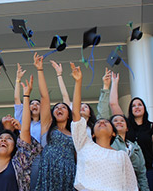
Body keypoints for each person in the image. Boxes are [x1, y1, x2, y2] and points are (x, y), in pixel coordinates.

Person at [70, 62, 138, 191]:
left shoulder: (122, 156)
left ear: (113, 133)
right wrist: (78, 82)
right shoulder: (84, 144)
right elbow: (75, 114)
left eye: (106, 122)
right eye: (98, 123)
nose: (102, 122)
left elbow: (131, 186)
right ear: (93, 134)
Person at [33, 53, 75, 191]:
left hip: (69, 172)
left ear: (69, 114)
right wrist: (40, 70)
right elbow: (44, 97)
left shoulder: (74, 131)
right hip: (49, 170)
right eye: (56, 107)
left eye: (63, 107)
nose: (59, 108)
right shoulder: (47, 126)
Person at [109, 72, 152, 190]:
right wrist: (115, 83)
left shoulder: (151, 127)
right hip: (126, 170)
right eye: (133, 105)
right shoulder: (126, 125)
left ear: (144, 108)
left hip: (147, 170)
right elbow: (113, 104)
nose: (137, 107)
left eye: (140, 105)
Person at [51, 61, 112, 135]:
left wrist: (106, 86)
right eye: (79, 107)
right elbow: (65, 96)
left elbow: (103, 110)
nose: (82, 108)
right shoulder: (71, 125)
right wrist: (59, 75)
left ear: (90, 114)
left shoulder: (95, 127)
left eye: (86, 107)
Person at [110, 115, 150, 191]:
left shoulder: (135, 147)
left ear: (127, 128)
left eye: (122, 121)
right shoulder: (108, 144)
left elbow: (141, 173)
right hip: (115, 185)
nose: (119, 122)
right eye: (115, 121)